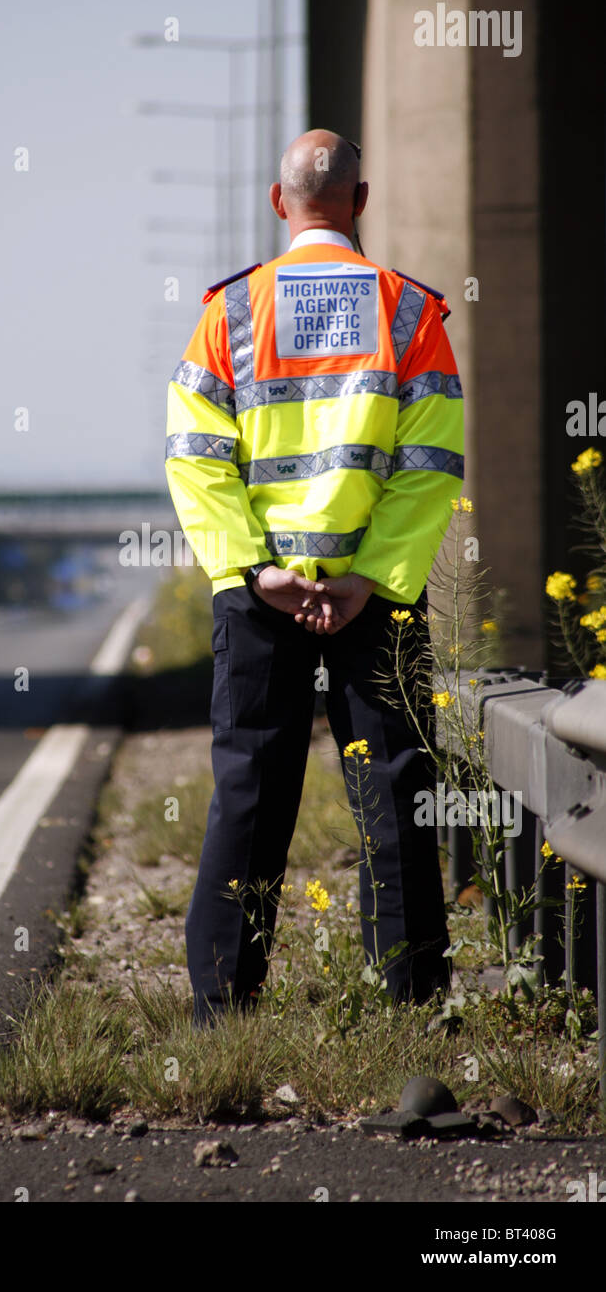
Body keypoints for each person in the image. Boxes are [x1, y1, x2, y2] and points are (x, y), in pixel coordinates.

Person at [165, 128, 465, 1026]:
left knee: (252, 787)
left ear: (277, 201)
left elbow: (196, 459)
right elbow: (429, 465)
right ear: (361, 201)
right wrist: (369, 580)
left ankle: (223, 1009)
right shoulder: (409, 313)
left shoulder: (230, 313)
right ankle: (410, 1001)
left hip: (261, 601)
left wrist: (255, 570)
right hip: (375, 600)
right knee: (396, 786)